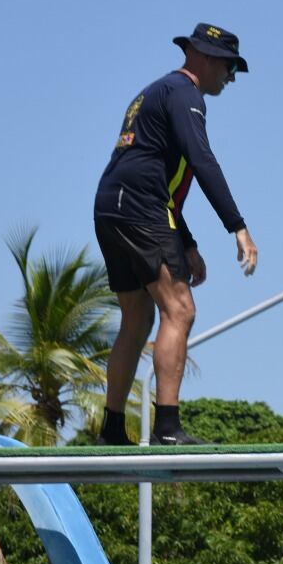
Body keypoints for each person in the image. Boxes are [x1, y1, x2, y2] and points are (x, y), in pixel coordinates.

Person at [93, 23, 259, 448]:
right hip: (141, 208)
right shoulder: (186, 95)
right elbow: (202, 160)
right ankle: (167, 427)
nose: (231, 78)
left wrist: (186, 243)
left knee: (138, 318)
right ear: (204, 57)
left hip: (112, 206)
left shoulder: (156, 91)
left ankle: (112, 430)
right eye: (229, 67)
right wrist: (237, 226)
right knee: (180, 309)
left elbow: (152, 172)